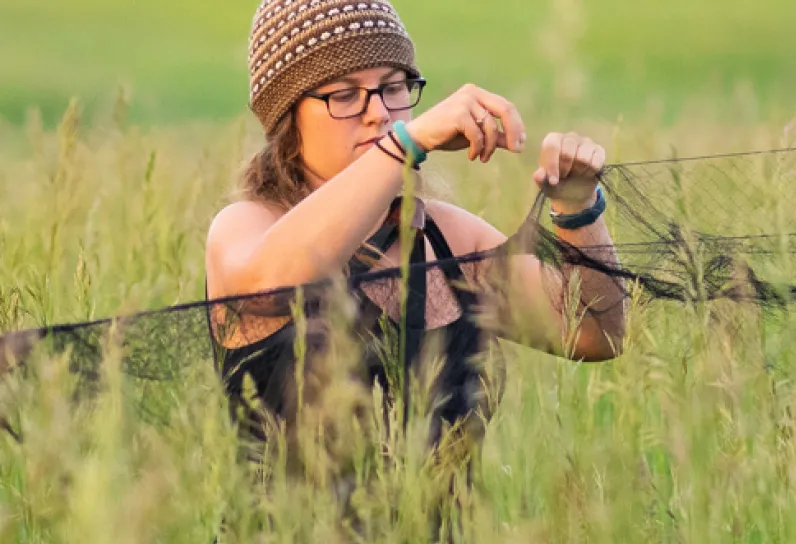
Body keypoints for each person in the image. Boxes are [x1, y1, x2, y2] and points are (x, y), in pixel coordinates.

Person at [203, 0, 626, 532]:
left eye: (394, 86)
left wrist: (578, 207)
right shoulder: (245, 227)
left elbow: (592, 335)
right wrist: (409, 143)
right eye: (344, 94)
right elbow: (272, 284)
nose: (379, 111)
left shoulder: (449, 237)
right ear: (287, 119)